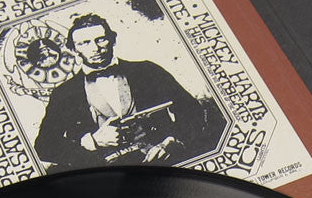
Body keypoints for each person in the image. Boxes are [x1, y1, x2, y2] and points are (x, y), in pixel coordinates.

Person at [34, 14, 216, 170]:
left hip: (165, 164)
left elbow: (192, 110)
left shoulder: (148, 71)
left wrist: (172, 141)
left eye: (100, 39)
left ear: (112, 40)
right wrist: (92, 141)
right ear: (74, 49)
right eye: (85, 43)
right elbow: (44, 146)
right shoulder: (63, 94)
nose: (95, 48)